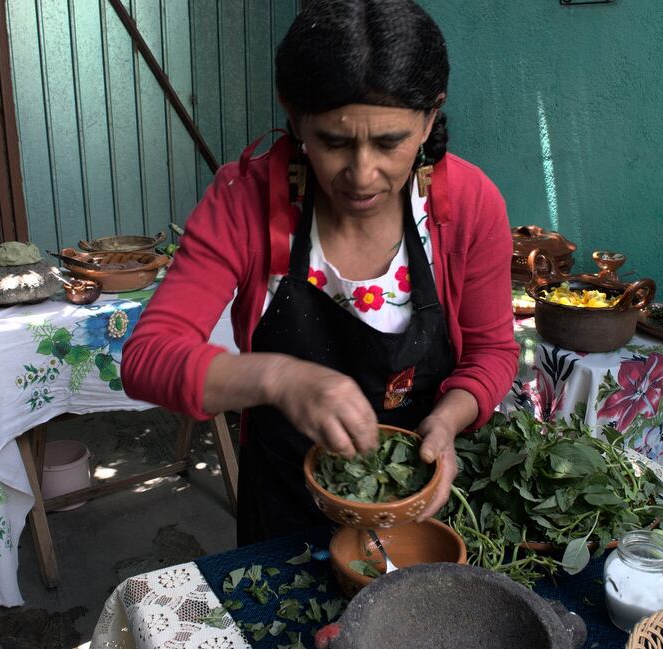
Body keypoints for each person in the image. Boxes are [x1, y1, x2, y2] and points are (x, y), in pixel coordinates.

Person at [121, 0, 519, 545]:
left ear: (429, 118)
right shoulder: (245, 201)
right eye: (334, 142)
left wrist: (447, 423)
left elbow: (491, 351)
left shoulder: (467, 204)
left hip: (418, 497)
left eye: (390, 143)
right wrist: (279, 379)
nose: (361, 174)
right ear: (293, 113)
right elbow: (148, 358)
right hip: (284, 494)